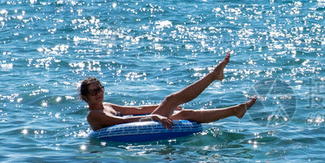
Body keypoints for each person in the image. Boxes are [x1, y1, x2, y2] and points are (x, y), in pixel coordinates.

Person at [80, 53, 256, 131]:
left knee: (184, 111)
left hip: (142, 122)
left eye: (100, 88)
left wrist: (161, 108)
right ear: (86, 97)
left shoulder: (106, 105)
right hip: (138, 126)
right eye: (94, 91)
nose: (99, 93)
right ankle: (213, 75)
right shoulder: (94, 115)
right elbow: (119, 121)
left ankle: (236, 111)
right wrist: (157, 116)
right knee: (171, 99)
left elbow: (137, 110)